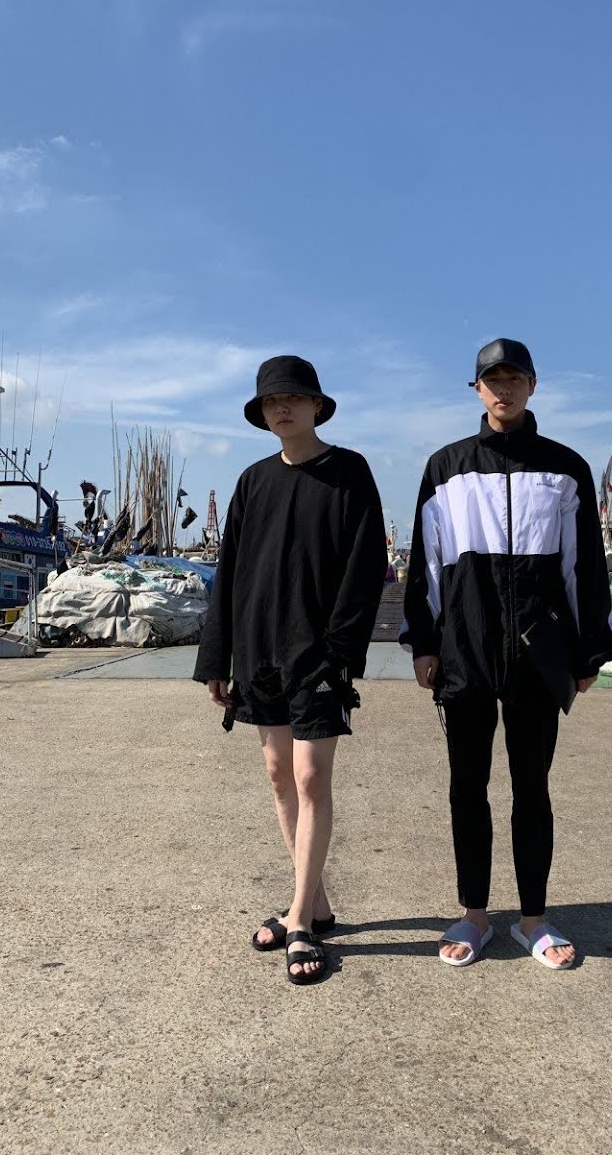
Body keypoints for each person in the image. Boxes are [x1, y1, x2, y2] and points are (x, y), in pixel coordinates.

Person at [401, 338, 612, 970]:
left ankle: (533, 919)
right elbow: (427, 565)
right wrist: (424, 642)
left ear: (532, 386)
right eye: (492, 380)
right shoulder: (447, 467)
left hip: (537, 653)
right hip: (465, 649)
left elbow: (584, 566)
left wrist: (588, 651)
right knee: (467, 787)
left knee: (532, 788)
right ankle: (474, 914)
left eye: (515, 378)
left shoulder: (565, 468)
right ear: (477, 389)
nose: (504, 389)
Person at [193, 355, 387, 986]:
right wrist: (216, 659)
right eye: (272, 400)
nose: (283, 407)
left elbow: (365, 568)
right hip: (257, 651)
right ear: (262, 412)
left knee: (310, 777)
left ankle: (300, 919)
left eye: (295, 398)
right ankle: (317, 902)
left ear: (317, 406)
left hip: (319, 655)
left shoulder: (350, 472)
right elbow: (229, 574)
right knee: (280, 775)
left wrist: (340, 652)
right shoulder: (252, 481)